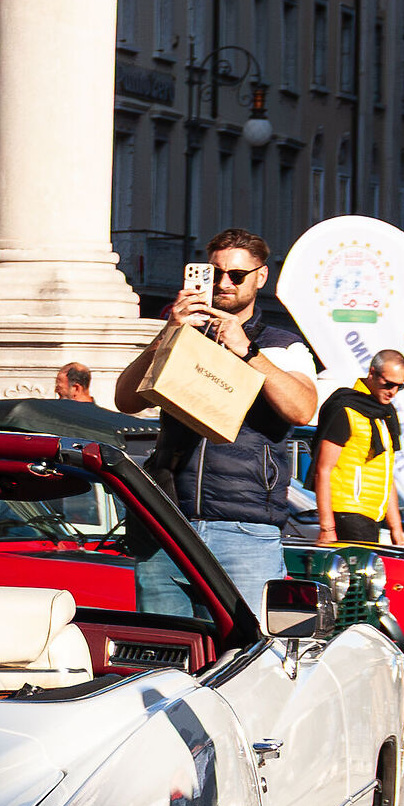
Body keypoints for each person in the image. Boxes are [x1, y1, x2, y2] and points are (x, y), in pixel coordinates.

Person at [113, 227, 319, 612]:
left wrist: (248, 351)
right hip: (169, 522)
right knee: (168, 641)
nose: (224, 283)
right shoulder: (184, 335)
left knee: (245, 643)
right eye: (216, 273)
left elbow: (302, 409)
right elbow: (125, 399)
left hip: (243, 528)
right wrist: (168, 333)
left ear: (260, 276)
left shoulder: (281, 345)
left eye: (236, 275)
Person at [313, 351, 404, 547]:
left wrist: (396, 529)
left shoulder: (384, 414)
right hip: (347, 512)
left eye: (400, 386)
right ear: (372, 373)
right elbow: (323, 470)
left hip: (372, 515)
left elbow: (386, 474)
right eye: (388, 384)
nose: (393, 391)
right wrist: (327, 528)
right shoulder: (346, 409)